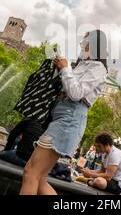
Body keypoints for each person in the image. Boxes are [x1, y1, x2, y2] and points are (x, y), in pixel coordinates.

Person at [19, 30, 108, 195]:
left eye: (85, 42)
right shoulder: (81, 65)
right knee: (39, 178)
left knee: (30, 173)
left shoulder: (98, 67)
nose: (82, 45)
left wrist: (65, 68)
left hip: (69, 119)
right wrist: (59, 69)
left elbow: (76, 93)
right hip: (60, 117)